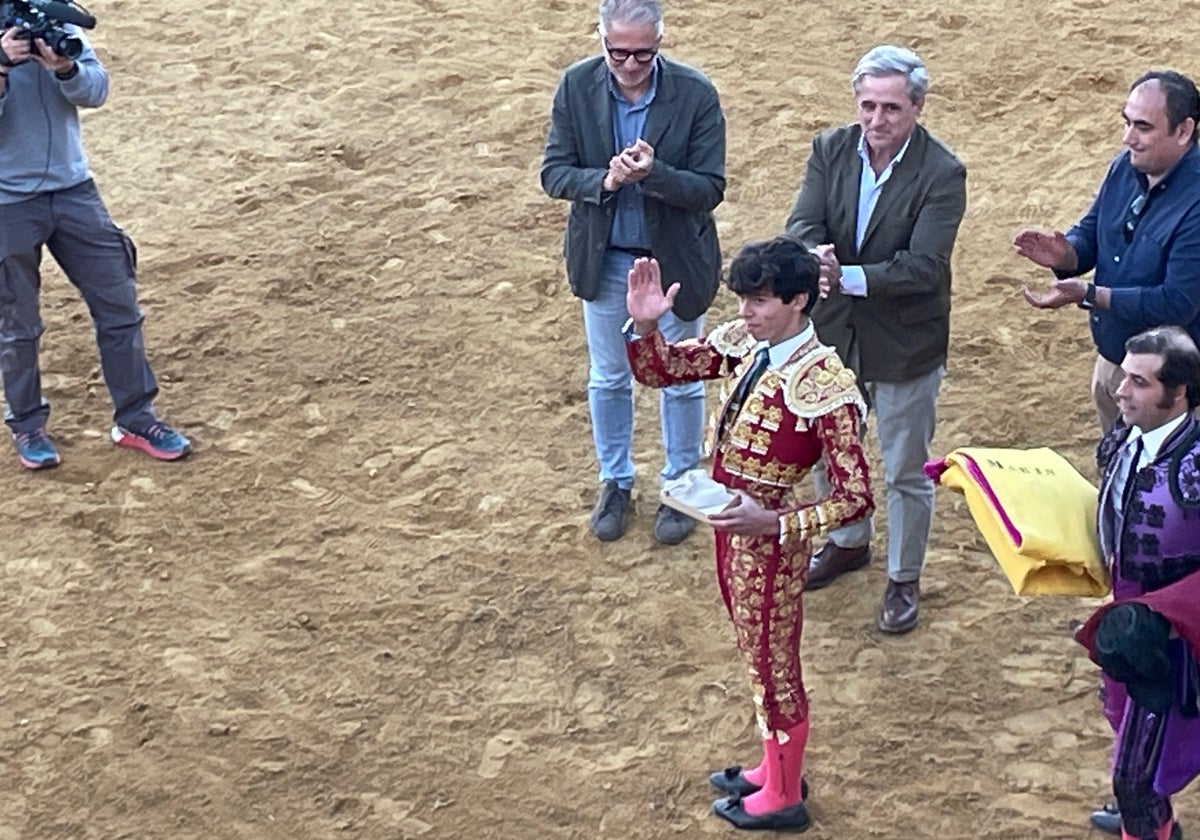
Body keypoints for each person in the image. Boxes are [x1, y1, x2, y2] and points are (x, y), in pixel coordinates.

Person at [624, 237, 873, 831]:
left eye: (759, 301)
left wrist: (778, 523)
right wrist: (644, 329)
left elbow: (857, 496)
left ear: (799, 301)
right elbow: (667, 370)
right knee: (756, 655)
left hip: (770, 540)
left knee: (773, 663)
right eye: (744, 300)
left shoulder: (827, 386)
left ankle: (785, 795)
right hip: (730, 522)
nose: (745, 313)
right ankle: (773, 766)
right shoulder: (746, 343)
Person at [783, 44, 967, 633]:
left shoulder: (943, 172)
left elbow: (925, 267)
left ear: (917, 107)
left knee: (905, 468)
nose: (876, 119)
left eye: (890, 107)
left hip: (905, 341)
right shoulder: (829, 148)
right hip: (835, 332)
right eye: (867, 105)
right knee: (831, 444)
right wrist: (814, 252)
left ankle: (903, 577)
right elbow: (804, 220)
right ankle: (847, 539)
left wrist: (847, 276)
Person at [540, 0, 725, 545]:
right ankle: (615, 480)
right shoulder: (576, 86)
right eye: (617, 51)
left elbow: (710, 187)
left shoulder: (695, 94)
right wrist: (607, 180)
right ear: (600, 38)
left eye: (643, 53)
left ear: (661, 42)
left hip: (671, 262)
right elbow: (554, 173)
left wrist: (655, 175)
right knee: (608, 377)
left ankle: (681, 481)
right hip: (607, 259)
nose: (629, 64)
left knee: (681, 379)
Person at [0, 22, 190, 469]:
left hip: (74, 190)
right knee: (18, 325)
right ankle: (27, 424)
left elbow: (96, 90)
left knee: (120, 306)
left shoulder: (55, 24)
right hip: (8, 202)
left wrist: (65, 67)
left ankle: (136, 418)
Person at [1016, 70, 1200, 434]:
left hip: (1170, 395)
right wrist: (1065, 255)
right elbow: (1092, 233)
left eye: (1143, 127)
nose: (1127, 137)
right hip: (1118, 366)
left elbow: (1177, 302)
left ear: (1183, 131)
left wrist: (1090, 295)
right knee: (1117, 476)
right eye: (1127, 122)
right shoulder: (1124, 167)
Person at [1073, 325, 1200, 840]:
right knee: (1133, 742)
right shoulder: (1124, 441)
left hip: (1180, 640)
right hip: (1128, 621)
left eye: (1139, 383)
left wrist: (1172, 614)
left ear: (1179, 393)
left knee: (1135, 777)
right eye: (1124, 377)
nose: (1121, 391)